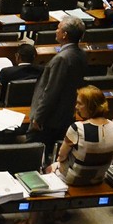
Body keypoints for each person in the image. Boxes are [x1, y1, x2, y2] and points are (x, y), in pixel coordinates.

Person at [13, 85, 113, 224]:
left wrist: (55, 164)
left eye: (80, 103)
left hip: (74, 179)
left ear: (91, 106)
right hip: (98, 177)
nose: (76, 107)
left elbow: (62, 156)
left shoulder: (77, 128)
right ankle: (55, 215)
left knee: (45, 171)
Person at [28, 16, 88, 146]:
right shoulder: (81, 53)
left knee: (35, 149)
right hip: (66, 111)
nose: (56, 31)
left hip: (51, 118)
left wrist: (38, 118)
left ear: (65, 34)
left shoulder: (62, 58)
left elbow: (51, 91)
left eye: (58, 28)